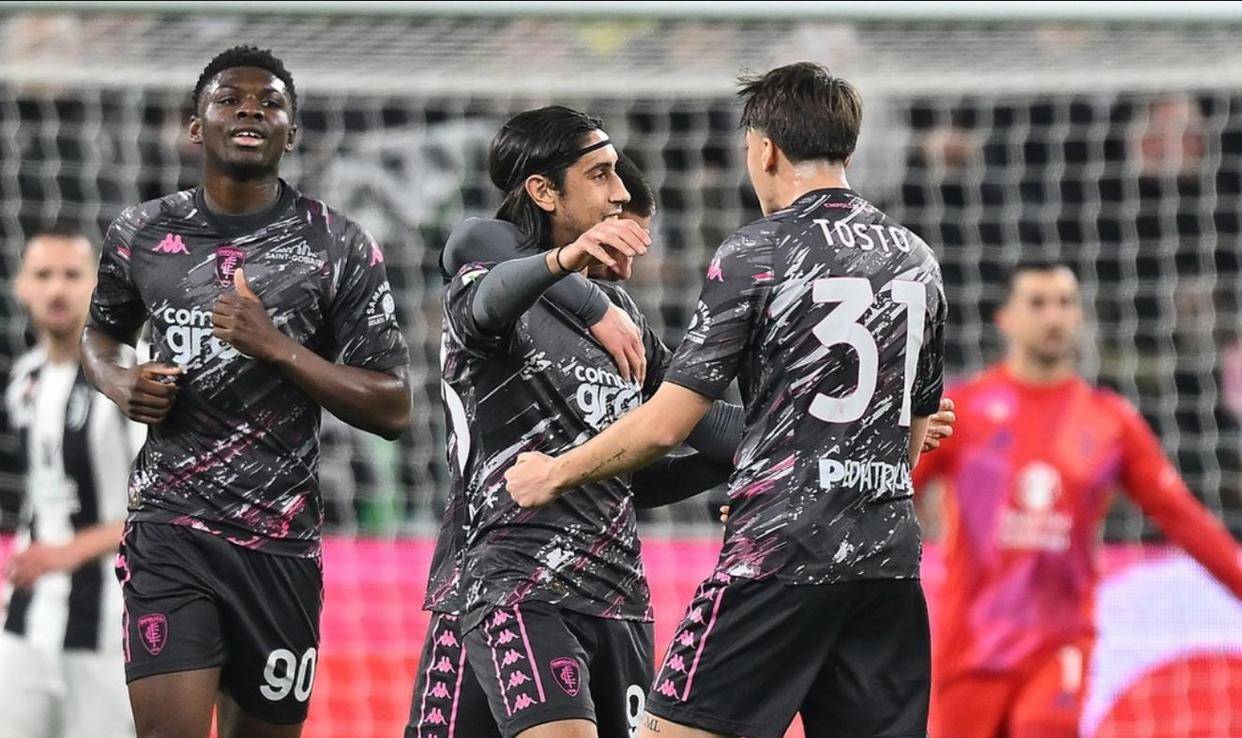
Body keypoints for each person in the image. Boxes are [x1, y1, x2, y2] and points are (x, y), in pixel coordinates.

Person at [505, 62, 947, 738]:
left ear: (765, 149)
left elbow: (667, 424)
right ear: (847, 151)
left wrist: (555, 473)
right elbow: (912, 438)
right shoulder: (916, 259)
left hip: (779, 555)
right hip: (886, 562)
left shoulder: (757, 251)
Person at [81, 46, 411, 738]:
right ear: (195, 126)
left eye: (271, 103)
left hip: (280, 543)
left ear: (292, 132)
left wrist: (276, 345)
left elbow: (393, 405)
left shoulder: (339, 245)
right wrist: (120, 381)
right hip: (170, 526)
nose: (251, 111)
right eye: (230, 99)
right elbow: (101, 334)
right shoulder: (141, 232)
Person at [427, 105, 766, 738]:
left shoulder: (626, 322)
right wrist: (574, 278)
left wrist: (824, 434)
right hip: (515, 582)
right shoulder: (490, 287)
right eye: (600, 175)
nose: (618, 196)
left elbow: (688, 435)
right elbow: (479, 258)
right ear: (543, 191)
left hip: (618, 597)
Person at [911, 258, 1242, 738]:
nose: (1054, 316)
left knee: (1042, 726)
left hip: (1060, 642)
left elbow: (1184, 519)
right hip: (971, 646)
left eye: (1065, 303)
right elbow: (898, 490)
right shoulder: (963, 410)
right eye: (1038, 303)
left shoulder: (1109, 421)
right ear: (1005, 318)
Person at [0, 229, 141, 738]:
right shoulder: (25, 378)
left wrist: (66, 553)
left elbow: (158, 505)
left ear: (95, 286)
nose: (56, 289)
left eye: (71, 275)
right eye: (43, 275)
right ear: (22, 287)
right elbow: (43, 496)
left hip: (108, 622)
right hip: (26, 619)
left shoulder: (130, 373)